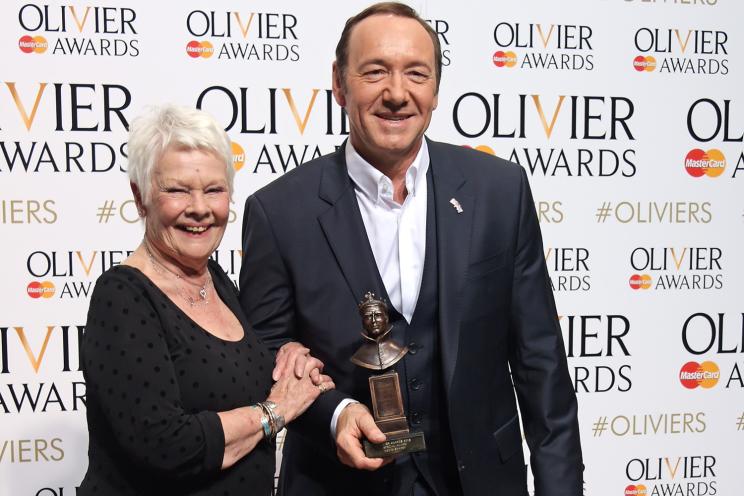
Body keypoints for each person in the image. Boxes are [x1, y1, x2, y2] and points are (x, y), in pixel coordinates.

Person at [239, 2, 583, 495]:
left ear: (436, 89)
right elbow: (262, 356)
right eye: (375, 71)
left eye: (416, 74)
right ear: (339, 83)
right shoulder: (279, 212)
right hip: (337, 484)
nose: (397, 94)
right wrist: (333, 415)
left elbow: (541, 363)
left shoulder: (499, 192)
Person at [79, 104, 334, 495]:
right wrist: (276, 411)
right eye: (178, 190)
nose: (199, 208)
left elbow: (234, 378)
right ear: (141, 196)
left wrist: (289, 356)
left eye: (213, 190)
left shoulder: (215, 279)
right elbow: (166, 446)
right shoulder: (123, 296)